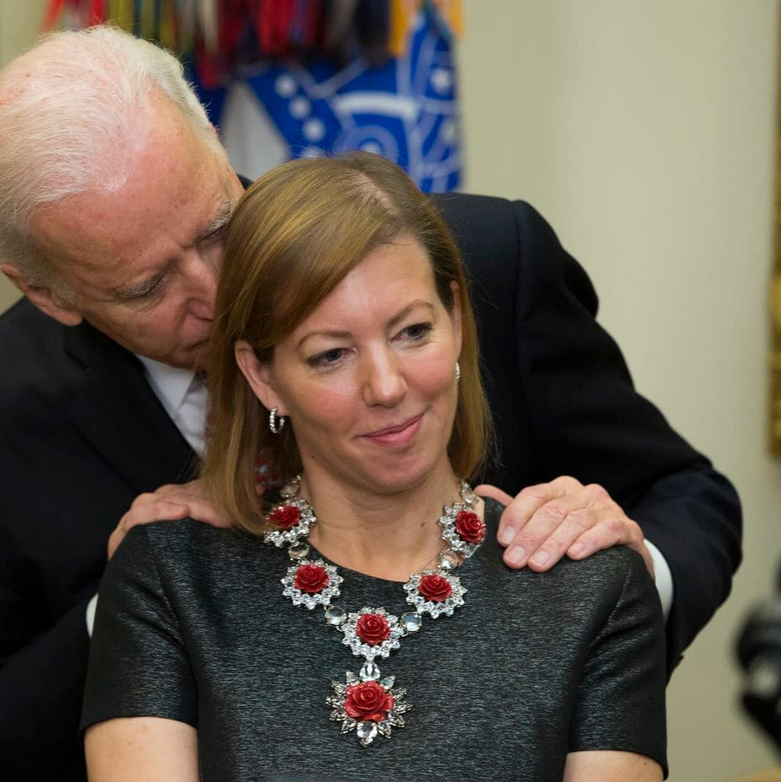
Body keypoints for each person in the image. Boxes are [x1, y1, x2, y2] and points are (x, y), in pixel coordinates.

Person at [0, 25, 740, 780]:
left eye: (218, 225)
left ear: (213, 143)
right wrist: (125, 613)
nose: (219, 293)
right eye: (148, 285)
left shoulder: (483, 259)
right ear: (48, 293)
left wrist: (613, 580)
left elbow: (690, 498)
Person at [82, 152, 667, 780]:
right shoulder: (169, 578)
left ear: (458, 319)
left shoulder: (590, 587)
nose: (387, 386)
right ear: (263, 376)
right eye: (331, 354)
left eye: (413, 332)